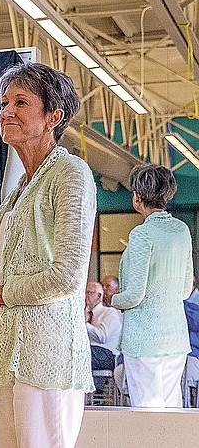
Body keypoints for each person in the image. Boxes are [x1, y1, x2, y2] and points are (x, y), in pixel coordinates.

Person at [0, 62, 96, 448]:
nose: (6, 112)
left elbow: (67, 276)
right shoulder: (21, 187)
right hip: (7, 356)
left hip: (46, 357)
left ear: (54, 116)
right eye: (4, 102)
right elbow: (6, 271)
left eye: (21, 102)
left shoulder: (70, 173)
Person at [111, 163, 193, 408]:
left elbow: (134, 295)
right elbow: (185, 289)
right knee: (171, 410)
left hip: (144, 340)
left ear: (137, 197)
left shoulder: (141, 235)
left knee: (146, 411)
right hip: (176, 338)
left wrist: (112, 300)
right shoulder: (182, 230)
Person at [85, 281, 122, 395]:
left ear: (99, 296)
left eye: (89, 293)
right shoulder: (84, 313)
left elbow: (103, 337)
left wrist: (84, 325)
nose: (85, 296)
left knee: (80, 352)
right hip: (90, 351)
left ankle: (95, 392)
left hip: (108, 355)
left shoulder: (109, 313)